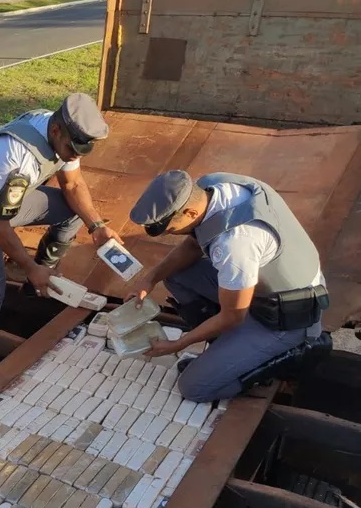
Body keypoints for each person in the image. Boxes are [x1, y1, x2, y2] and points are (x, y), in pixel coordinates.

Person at [0, 92, 123, 380]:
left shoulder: (62, 133)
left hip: (9, 201)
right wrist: (28, 265)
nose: (75, 155)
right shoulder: (16, 157)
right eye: (73, 148)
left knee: (73, 211)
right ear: (55, 131)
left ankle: (40, 277)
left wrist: (97, 226)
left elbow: (73, 184)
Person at [128, 169, 332, 403]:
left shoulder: (235, 244)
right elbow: (194, 245)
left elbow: (233, 316)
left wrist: (179, 343)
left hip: (288, 317)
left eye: (172, 229)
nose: (172, 234)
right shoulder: (213, 186)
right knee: (176, 275)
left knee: (194, 388)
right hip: (264, 288)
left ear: (191, 211)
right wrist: (149, 279)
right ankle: (228, 348)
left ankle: (291, 353)